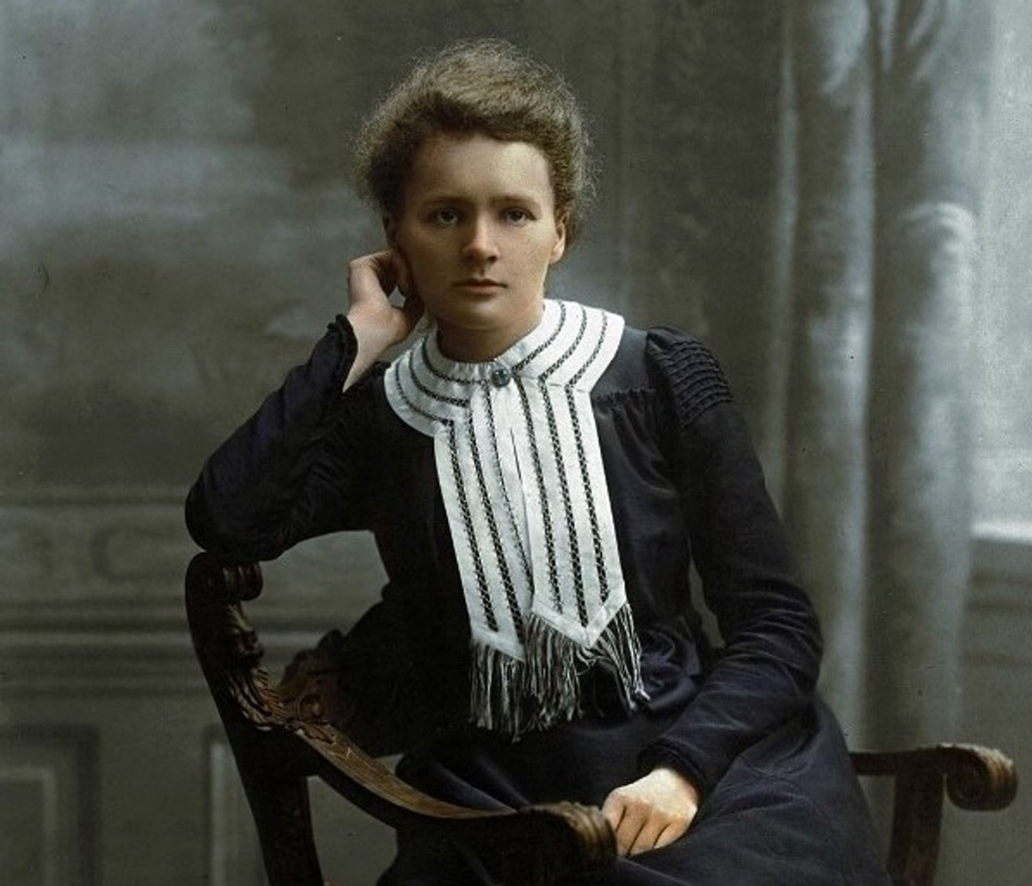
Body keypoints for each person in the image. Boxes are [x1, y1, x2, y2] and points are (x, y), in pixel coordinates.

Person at [186, 38, 889, 885]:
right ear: (394, 239)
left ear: (559, 230)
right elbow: (228, 517)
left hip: (709, 768)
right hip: (499, 790)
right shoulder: (385, 418)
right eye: (444, 215)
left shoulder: (655, 377)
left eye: (513, 214)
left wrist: (682, 771)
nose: (480, 245)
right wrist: (358, 339)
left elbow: (777, 623)